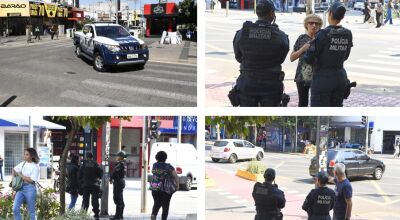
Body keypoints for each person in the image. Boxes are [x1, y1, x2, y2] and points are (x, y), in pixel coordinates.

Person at [233, 0, 289, 107]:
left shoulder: (242, 33)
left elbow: (238, 56)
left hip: (247, 85)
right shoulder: (281, 36)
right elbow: (281, 58)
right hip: (271, 87)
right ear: (272, 13)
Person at [303, 2, 353, 107]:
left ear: (330, 13)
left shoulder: (323, 34)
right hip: (340, 79)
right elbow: (346, 56)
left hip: (322, 80)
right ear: (342, 17)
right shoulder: (348, 34)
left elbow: (308, 58)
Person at [290, 14, 323, 107]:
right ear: (306, 25)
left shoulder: (322, 39)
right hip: (302, 76)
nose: (314, 26)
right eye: (311, 23)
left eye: (317, 24)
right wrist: (303, 49)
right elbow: (292, 58)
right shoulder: (301, 38)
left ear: (320, 26)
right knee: (303, 102)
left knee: (316, 103)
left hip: (317, 76)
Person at [149, 151, 179, 220]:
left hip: (155, 187)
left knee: (157, 202)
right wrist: (177, 186)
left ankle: (153, 214)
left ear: (157, 157)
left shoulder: (154, 165)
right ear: (165, 158)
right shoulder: (168, 166)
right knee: (165, 205)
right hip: (166, 189)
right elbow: (176, 176)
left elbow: (154, 173)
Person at [12, 148, 40, 220]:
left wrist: (20, 175)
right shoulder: (23, 163)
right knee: (15, 208)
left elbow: (32, 180)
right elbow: (14, 170)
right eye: (24, 154)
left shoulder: (35, 167)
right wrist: (14, 187)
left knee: (31, 211)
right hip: (20, 188)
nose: (24, 156)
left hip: (30, 188)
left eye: (27, 154)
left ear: (32, 156)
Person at [79, 152, 103, 220]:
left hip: (85, 185)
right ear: (92, 157)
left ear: (86, 157)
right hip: (94, 185)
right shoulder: (95, 164)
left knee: (85, 201)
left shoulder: (83, 165)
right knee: (95, 201)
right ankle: (96, 214)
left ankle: (83, 214)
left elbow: (79, 175)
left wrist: (81, 184)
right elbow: (100, 173)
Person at [109, 151, 126, 220]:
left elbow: (115, 172)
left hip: (118, 182)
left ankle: (118, 216)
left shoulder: (120, 164)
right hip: (121, 182)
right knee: (120, 199)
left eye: (118, 156)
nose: (117, 157)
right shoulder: (123, 164)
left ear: (121, 157)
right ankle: (120, 215)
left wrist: (111, 178)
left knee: (117, 199)